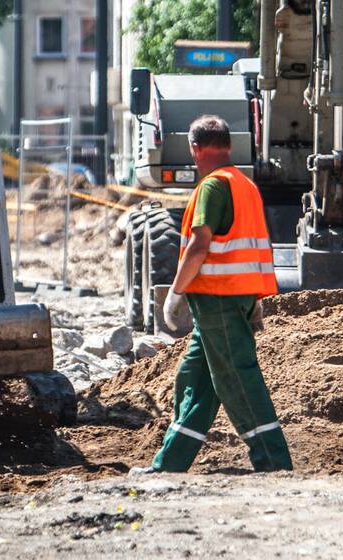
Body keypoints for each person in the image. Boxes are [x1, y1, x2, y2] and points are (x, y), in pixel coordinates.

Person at [134, 115, 292, 474]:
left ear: (195, 148)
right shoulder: (245, 184)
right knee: (194, 379)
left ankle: (274, 462)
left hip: (218, 299)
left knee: (238, 378)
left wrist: (176, 291)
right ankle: (169, 464)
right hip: (230, 300)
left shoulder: (213, 186)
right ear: (228, 145)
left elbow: (200, 242)